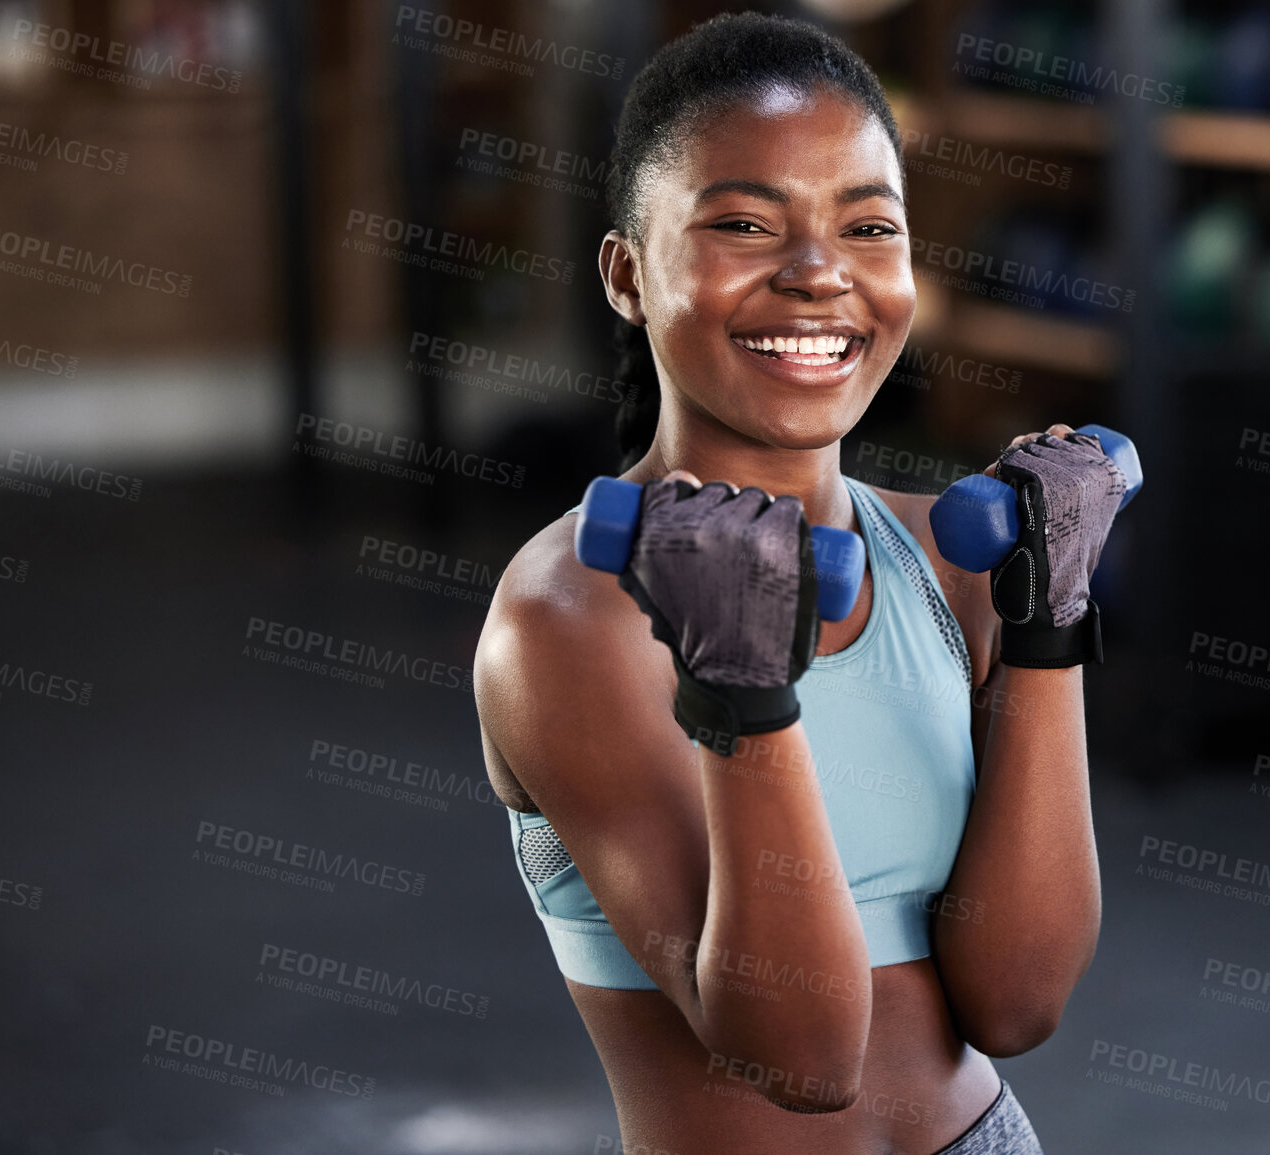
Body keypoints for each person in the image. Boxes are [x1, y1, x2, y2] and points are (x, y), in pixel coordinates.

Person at [473, 12, 1125, 1152]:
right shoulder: (568, 618)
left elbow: (1019, 1005)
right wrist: (744, 697)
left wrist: (1050, 628)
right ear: (627, 275)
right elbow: (800, 1058)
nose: (821, 274)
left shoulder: (951, 560)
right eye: (742, 223)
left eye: (869, 226)